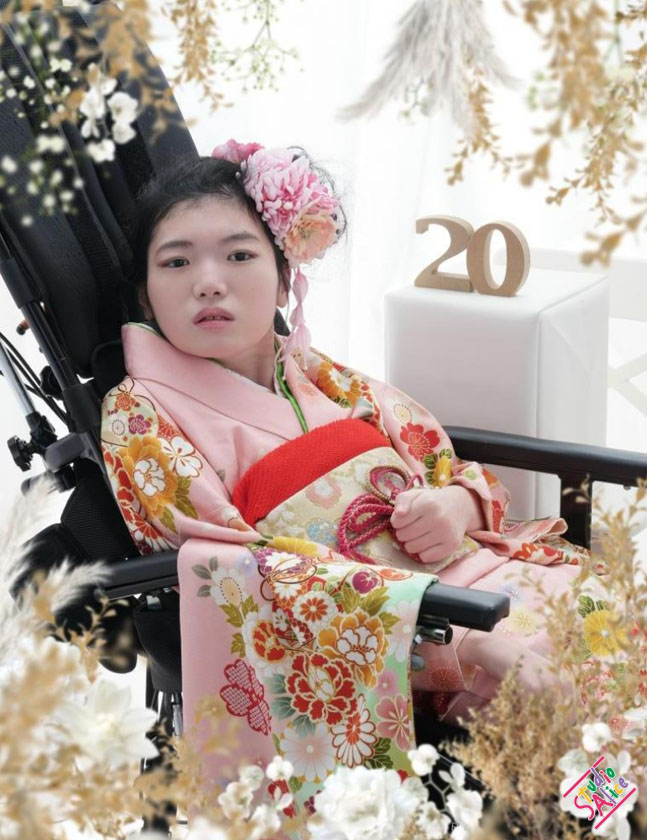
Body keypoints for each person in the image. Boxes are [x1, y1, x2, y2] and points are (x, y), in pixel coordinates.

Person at [100, 140, 592, 813]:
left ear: (284, 279)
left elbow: (445, 464)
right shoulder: (142, 414)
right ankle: (613, 813)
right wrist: (464, 645)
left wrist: (456, 505)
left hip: (497, 585)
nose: (207, 282)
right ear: (146, 295)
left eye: (239, 255)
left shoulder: (315, 373)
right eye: (176, 261)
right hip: (416, 638)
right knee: (573, 714)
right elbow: (247, 574)